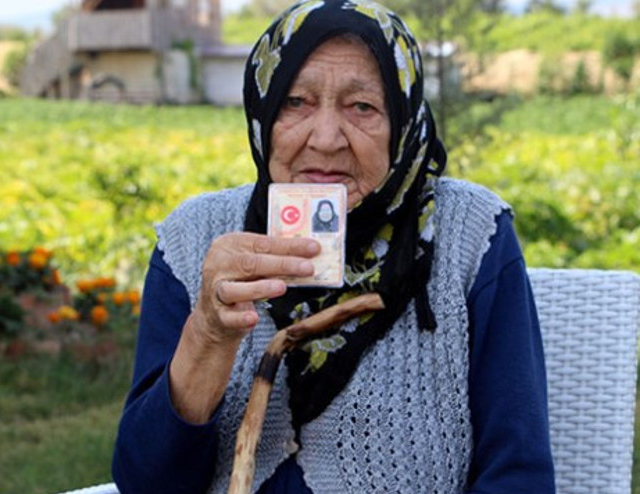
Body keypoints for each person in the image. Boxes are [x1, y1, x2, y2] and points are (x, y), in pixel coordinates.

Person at [112, 1, 555, 492]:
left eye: (362, 107)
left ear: (403, 123)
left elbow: (519, 473)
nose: (324, 139)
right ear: (263, 113)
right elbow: (146, 483)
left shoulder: (469, 235)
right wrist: (208, 338)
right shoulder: (194, 238)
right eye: (295, 102)